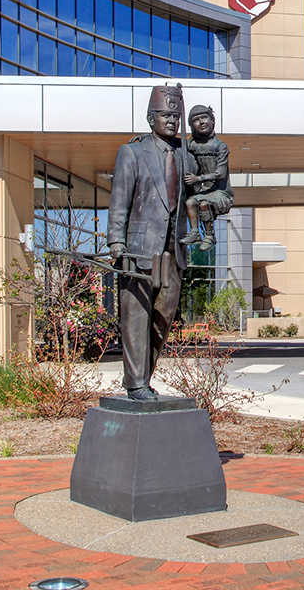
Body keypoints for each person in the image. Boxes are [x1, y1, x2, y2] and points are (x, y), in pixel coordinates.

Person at [106, 84, 188, 400]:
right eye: (166, 115)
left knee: (163, 318)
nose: (172, 121)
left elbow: (208, 188)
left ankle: (143, 378)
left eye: (176, 116)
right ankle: (135, 383)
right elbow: (120, 200)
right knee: (136, 318)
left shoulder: (184, 154)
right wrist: (116, 241)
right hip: (138, 251)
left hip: (172, 251)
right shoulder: (132, 152)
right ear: (150, 117)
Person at [179, 104, 232, 250]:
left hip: (220, 190)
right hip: (205, 191)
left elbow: (220, 173)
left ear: (212, 121)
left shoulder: (220, 146)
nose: (201, 122)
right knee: (190, 203)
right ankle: (195, 232)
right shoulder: (191, 144)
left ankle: (209, 235)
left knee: (203, 204)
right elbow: (174, 145)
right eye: (196, 120)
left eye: (204, 117)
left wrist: (198, 179)